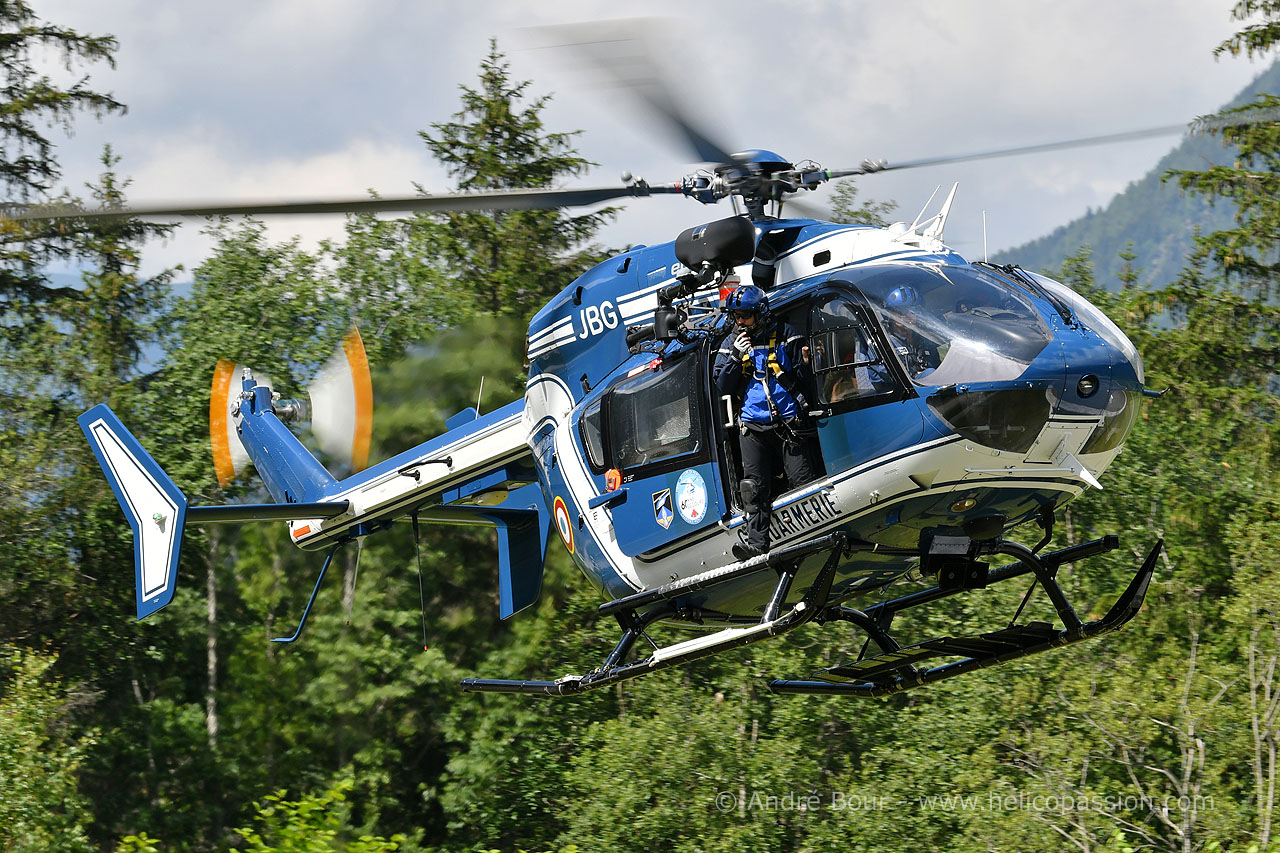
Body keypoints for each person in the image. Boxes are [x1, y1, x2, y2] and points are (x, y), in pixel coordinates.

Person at [713, 284, 819, 559]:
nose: (739, 322)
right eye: (735, 316)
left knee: (801, 480)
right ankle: (757, 546)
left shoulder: (787, 335)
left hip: (788, 423)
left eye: (744, 316)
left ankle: (814, 536)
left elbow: (806, 377)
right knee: (753, 488)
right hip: (752, 426)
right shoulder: (730, 344)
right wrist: (736, 358)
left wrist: (809, 360)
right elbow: (722, 386)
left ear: (760, 313)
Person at [882, 285, 942, 379]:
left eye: (912, 310)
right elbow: (877, 375)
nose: (907, 315)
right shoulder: (884, 342)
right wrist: (912, 375)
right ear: (889, 315)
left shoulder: (925, 341)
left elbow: (937, 366)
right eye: (901, 311)